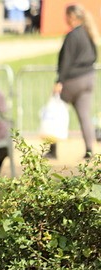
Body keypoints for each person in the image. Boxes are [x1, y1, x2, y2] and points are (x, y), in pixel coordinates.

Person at [48, 4, 98, 161]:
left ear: (72, 17)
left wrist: (59, 81)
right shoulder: (88, 33)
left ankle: (52, 149)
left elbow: (66, 61)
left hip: (73, 80)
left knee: (55, 111)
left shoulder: (72, 36)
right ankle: (89, 150)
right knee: (84, 116)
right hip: (88, 78)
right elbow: (94, 56)